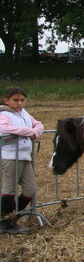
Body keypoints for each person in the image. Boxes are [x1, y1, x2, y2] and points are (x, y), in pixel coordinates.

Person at [0, 86, 43, 234]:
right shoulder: (4, 114)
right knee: (10, 189)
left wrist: (35, 132)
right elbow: (4, 129)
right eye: (15, 100)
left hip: (25, 155)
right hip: (11, 156)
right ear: (7, 101)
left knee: (30, 189)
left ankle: (13, 216)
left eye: (22, 100)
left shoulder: (24, 113)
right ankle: (6, 223)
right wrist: (29, 132)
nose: (19, 103)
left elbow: (39, 125)